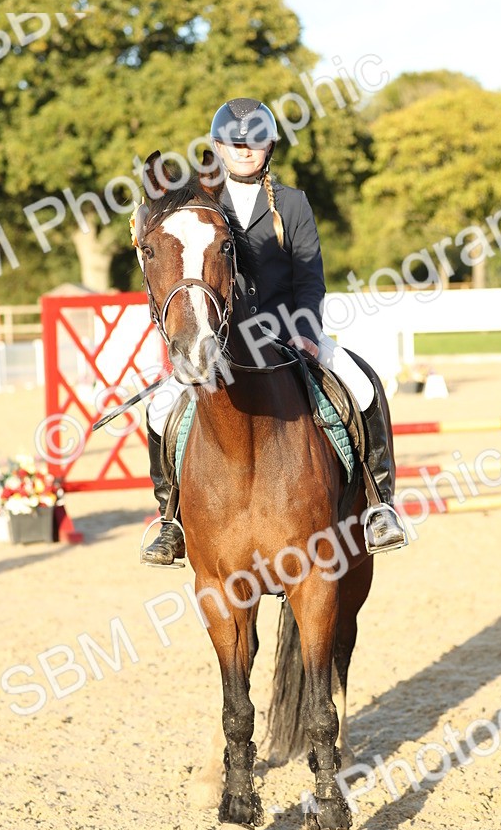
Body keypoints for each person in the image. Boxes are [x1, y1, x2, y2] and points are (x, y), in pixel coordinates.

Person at [140, 96, 408, 565]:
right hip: (220, 338)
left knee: (362, 383)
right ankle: (171, 520)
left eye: (255, 142)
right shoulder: (202, 204)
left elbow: (309, 276)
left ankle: (379, 504)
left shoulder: (293, 203)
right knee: (160, 408)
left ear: (269, 148)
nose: (245, 150)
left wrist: (306, 329)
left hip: (288, 332)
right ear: (218, 147)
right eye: (234, 143)